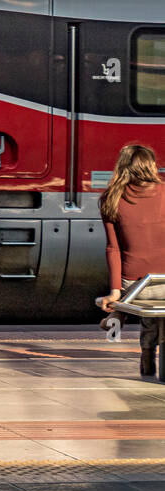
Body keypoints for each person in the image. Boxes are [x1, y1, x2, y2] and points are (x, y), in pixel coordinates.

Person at [96, 144, 165, 376]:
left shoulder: (110, 198)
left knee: (148, 303)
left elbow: (113, 249)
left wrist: (115, 292)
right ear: (151, 166)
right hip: (164, 282)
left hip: (134, 287)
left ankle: (122, 320)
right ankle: (148, 353)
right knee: (159, 304)